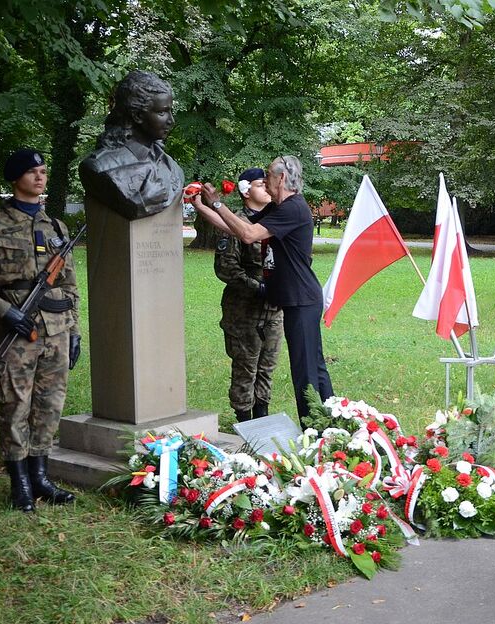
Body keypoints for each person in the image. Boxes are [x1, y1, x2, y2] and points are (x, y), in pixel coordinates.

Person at [194, 155, 333, 421]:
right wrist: (202, 208)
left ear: (281, 178)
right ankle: (328, 422)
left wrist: (218, 203)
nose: (265, 180)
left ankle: (315, 427)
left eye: (268, 175)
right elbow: (238, 229)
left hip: (301, 301)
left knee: (306, 372)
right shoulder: (279, 208)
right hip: (295, 301)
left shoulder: (293, 208)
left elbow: (249, 235)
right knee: (312, 367)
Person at [0, 149, 81, 512]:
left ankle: (40, 476)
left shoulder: (56, 227)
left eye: (43, 171)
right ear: (15, 178)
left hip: (55, 329)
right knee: (14, 405)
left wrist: (74, 330)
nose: (40, 177)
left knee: (49, 405)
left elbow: (69, 285)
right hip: (15, 332)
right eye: (32, 172)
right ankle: (19, 483)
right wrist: (5, 312)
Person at [214, 167, 283, 422]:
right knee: (245, 366)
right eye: (259, 184)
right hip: (244, 310)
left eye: (267, 183)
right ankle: (245, 421)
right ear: (245, 190)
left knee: (267, 366)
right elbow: (226, 267)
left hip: (274, 309)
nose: (266, 187)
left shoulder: (275, 218)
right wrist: (258, 287)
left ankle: (262, 418)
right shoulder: (234, 222)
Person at [78, 70, 185, 220]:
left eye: (170, 111)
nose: (171, 121)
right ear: (137, 115)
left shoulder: (173, 168)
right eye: (162, 113)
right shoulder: (99, 167)